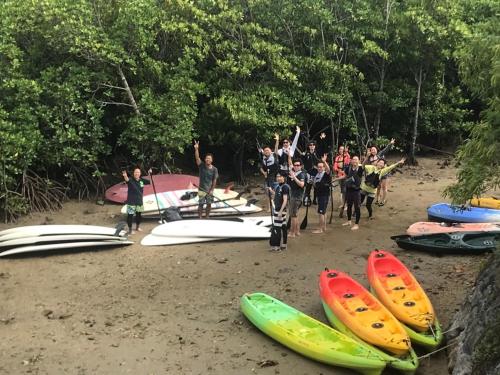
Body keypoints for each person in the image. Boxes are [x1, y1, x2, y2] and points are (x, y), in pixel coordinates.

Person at [335, 156, 363, 230]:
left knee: (357, 207)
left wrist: (366, 156)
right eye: (353, 159)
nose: (354, 161)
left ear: (358, 161)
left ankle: (356, 224)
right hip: (348, 190)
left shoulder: (360, 169)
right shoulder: (348, 168)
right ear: (351, 161)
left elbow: (364, 163)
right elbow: (345, 176)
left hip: (356, 191)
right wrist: (336, 179)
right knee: (349, 206)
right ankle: (349, 221)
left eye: (356, 159)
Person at [365, 138, 395, 206]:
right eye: (372, 150)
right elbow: (366, 166)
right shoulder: (369, 158)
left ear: (376, 150)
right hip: (376, 174)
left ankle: (383, 200)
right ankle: (377, 199)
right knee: (378, 187)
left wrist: (390, 143)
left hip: (383, 173)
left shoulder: (379, 154)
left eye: (374, 149)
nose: (373, 151)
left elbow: (385, 150)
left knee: (384, 187)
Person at [122, 166, 151, 234]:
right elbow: (127, 179)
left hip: (139, 201)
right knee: (130, 216)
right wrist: (125, 176)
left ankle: (137, 227)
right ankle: (130, 230)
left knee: (139, 215)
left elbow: (150, 181)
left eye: (138, 172)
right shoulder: (131, 180)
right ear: (133, 173)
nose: (137, 173)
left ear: (140, 173)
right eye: (135, 172)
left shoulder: (142, 180)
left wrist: (150, 174)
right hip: (131, 201)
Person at [194, 140, 218, 218]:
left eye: (209, 158)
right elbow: (197, 158)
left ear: (212, 160)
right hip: (201, 189)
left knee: (209, 204)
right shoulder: (202, 166)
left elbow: (214, 180)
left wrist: (211, 190)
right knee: (200, 204)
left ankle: (207, 216)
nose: (208, 159)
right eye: (206, 158)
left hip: (209, 190)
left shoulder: (214, 169)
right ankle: (200, 217)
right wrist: (196, 149)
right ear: (205, 159)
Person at [268, 172, 290, 251]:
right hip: (277, 209)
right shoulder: (278, 186)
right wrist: (271, 191)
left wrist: (281, 211)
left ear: (284, 177)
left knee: (277, 228)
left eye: (280, 176)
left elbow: (285, 200)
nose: (278, 178)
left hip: (281, 210)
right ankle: (284, 244)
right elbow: (277, 195)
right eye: (277, 176)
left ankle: (277, 247)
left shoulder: (285, 187)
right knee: (283, 227)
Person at [258, 135, 280, 212]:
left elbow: (276, 148)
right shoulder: (263, 158)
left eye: (268, 150)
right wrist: (264, 173)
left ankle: (276, 207)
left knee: (275, 193)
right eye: (265, 150)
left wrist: (277, 140)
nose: (266, 151)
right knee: (268, 193)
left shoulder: (274, 155)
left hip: (276, 177)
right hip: (268, 178)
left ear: (271, 151)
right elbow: (260, 167)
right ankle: (269, 208)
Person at [312, 154, 331, 234]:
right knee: (324, 212)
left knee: (321, 213)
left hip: (324, 195)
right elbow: (315, 184)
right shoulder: (317, 174)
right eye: (318, 167)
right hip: (319, 195)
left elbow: (328, 170)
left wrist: (324, 161)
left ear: (323, 167)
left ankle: (320, 229)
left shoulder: (325, 174)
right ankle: (324, 227)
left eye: (321, 167)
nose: (319, 168)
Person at [287, 156, 306, 237]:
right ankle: (297, 231)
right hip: (294, 196)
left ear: (301, 166)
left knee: (293, 215)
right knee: (295, 214)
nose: (296, 166)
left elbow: (302, 185)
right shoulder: (294, 171)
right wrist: (289, 154)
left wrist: (294, 177)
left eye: (298, 165)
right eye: (295, 165)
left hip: (296, 197)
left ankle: (292, 232)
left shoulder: (301, 174)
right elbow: (290, 163)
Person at [333, 145, 351, 210]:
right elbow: (335, 166)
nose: (341, 150)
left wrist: (346, 152)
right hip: (339, 175)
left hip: (345, 175)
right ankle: (343, 203)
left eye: (342, 149)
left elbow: (348, 162)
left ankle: (346, 204)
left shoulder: (347, 157)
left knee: (345, 190)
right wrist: (338, 171)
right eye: (340, 149)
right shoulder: (337, 158)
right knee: (342, 190)